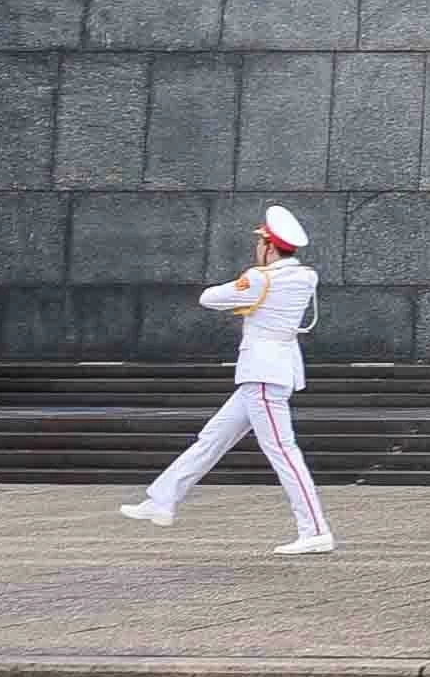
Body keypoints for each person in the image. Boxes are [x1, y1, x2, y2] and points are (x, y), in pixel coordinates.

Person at [116, 204, 333, 555]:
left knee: (282, 450)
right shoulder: (305, 276)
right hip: (269, 372)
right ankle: (162, 499)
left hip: (263, 374)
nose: (256, 248)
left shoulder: (262, 279)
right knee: (212, 439)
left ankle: (316, 530)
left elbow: (210, 298)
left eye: (260, 242)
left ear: (269, 245)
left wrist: (247, 281)